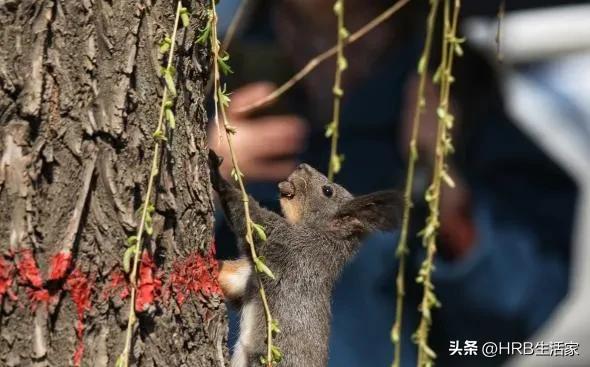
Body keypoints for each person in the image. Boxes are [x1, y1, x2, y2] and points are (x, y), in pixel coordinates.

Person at [210, 1, 580, 366]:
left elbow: (511, 314)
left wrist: (449, 204)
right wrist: (204, 175)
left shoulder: (450, 83)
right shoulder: (210, 66)